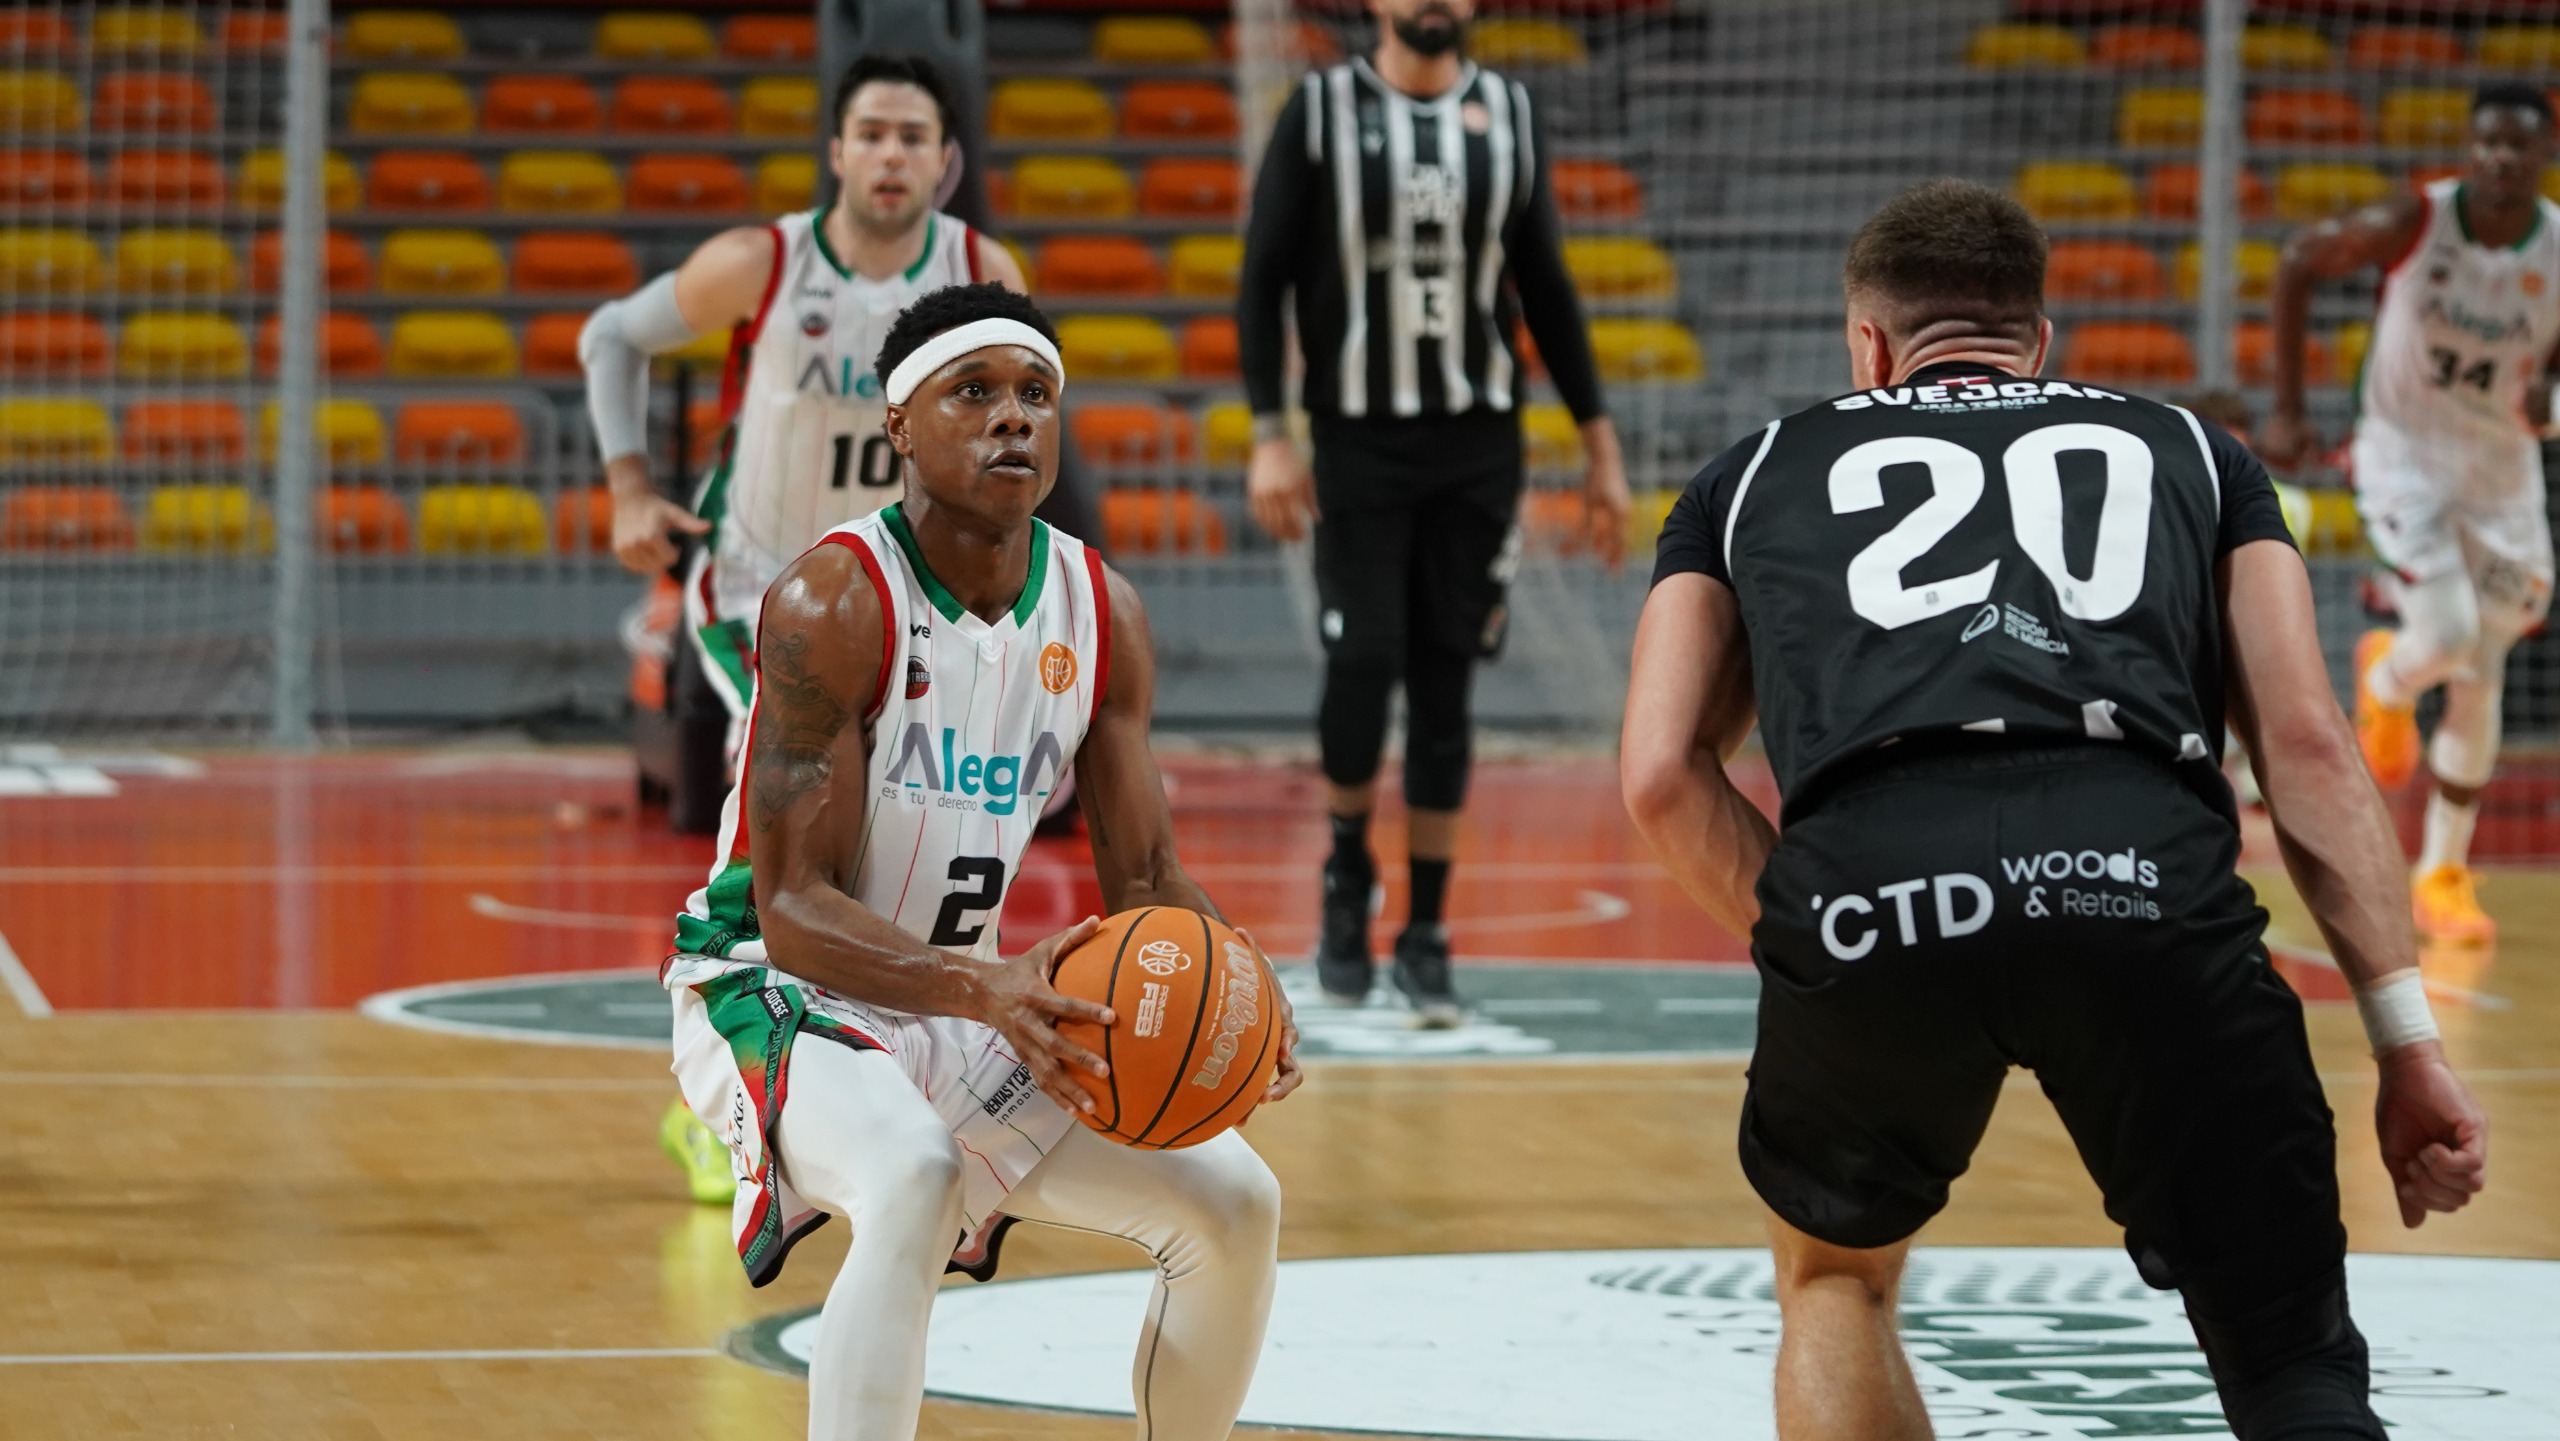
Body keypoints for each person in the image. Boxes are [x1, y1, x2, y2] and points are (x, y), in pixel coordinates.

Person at [1622, 180, 2487, 1441]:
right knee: (2289, 1356)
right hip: (2139, 858)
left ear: (1868, 345)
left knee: (1834, 1281)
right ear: (2038, 339)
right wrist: (2407, 1043)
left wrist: (1828, 925)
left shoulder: (1743, 475)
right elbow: (2305, 742)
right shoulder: (2196, 453)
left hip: (1872, 868)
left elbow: (1658, 772)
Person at [662, 283, 1300, 1441]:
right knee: (912, 1172)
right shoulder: (833, 598)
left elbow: (1146, 877)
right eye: (974, 391)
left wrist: (1247, 988)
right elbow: (794, 907)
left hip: (965, 995)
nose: (1013, 416)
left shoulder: (1100, 609)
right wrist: (986, 989)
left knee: (1233, 1201)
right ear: (900, 425)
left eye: (1035, 394)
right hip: (771, 986)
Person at [583, 56, 1045, 1203]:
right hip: (762, 592)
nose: (890, 155)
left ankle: (868, 1070)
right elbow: (611, 337)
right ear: (837, 152)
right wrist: (630, 487)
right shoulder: (764, 263)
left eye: (912, 138)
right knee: (786, 825)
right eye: (871, 133)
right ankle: (718, 1095)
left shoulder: (982, 273)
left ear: (945, 162)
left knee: (885, 835)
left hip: (899, 596)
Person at [1237, 0, 1629, 1023]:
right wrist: (1270, 431)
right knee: (1364, 658)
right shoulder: (1320, 110)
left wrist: (1599, 445)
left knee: (1447, 678)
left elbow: (1545, 284)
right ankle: (1345, 871)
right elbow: (1262, 276)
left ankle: (1427, 930)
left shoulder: (1509, 113)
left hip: (1478, 444)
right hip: (1356, 439)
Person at [2264, 83, 2560, 946]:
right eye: (2487, 142)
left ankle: (2443, 872)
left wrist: (2549, 382)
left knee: (2486, 660)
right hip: (2405, 456)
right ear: (2471, 149)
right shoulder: (2415, 221)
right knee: (2455, 633)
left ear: (2544, 154)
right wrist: (2288, 408)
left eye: (2518, 144)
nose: (2500, 158)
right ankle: (2387, 679)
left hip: (2501, 468)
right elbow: (2298, 259)